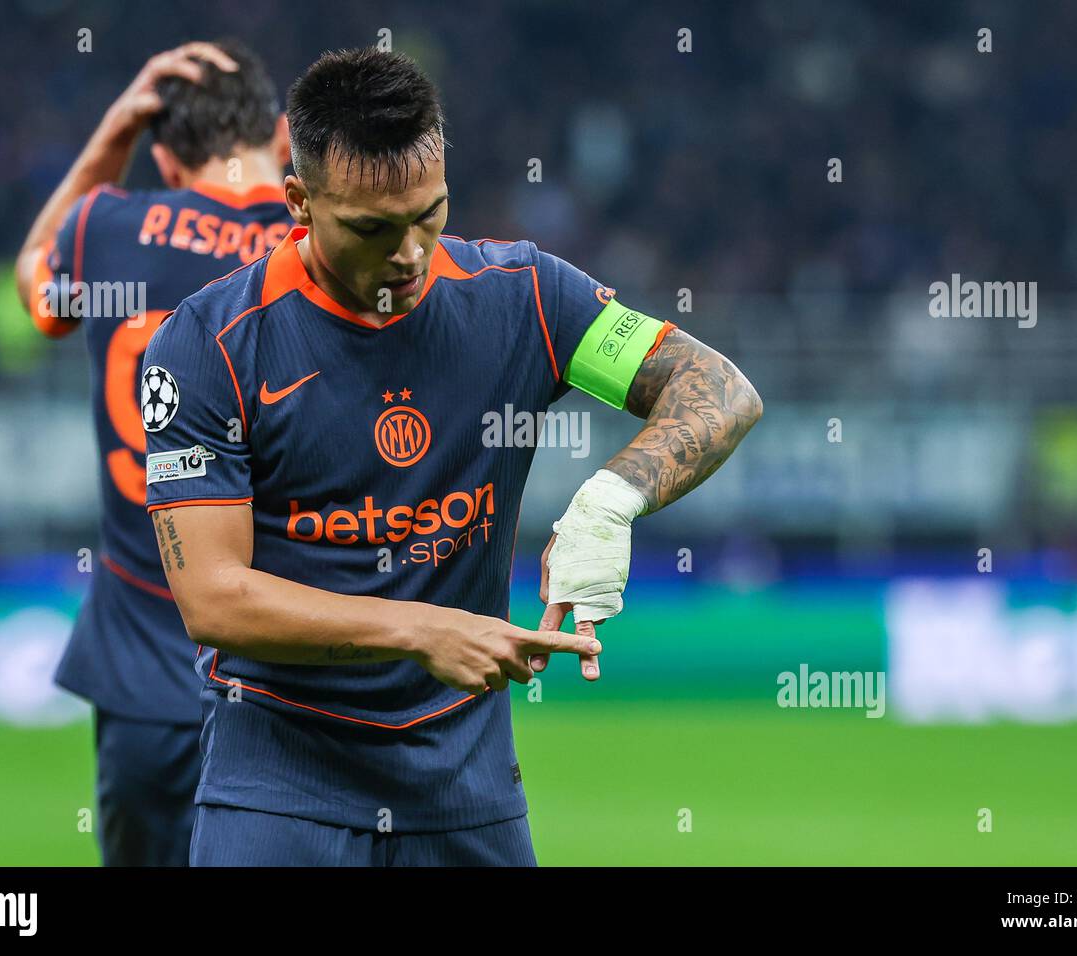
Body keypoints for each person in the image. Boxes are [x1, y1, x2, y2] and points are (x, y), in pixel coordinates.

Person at [142, 47, 762, 866]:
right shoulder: (208, 345)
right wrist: (419, 628)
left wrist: (611, 498)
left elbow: (718, 387)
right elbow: (213, 600)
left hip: (465, 797)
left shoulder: (526, 298)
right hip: (276, 791)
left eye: (429, 215)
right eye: (372, 228)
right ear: (298, 202)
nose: (408, 253)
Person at [15, 39, 294, 865]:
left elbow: (35, 285)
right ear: (282, 138)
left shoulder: (109, 225)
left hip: (143, 660)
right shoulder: (319, 252)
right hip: (287, 664)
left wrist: (112, 132)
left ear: (165, 157)